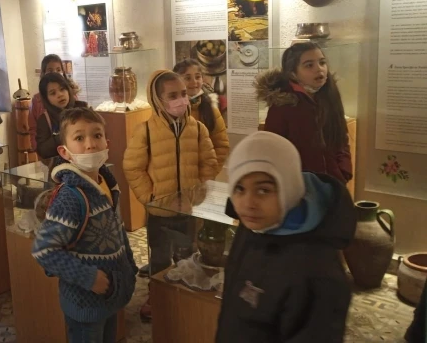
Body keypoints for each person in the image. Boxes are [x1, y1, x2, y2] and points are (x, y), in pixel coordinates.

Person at [216, 131, 356, 342]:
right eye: (239, 188)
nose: (248, 203)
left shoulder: (318, 273)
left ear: (289, 188)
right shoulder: (254, 227)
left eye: (263, 190)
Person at [32, 107, 137, 343]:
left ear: (107, 143)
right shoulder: (70, 197)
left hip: (110, 297)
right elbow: (44, 250)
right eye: (79, 138)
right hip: (85, 303)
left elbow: (117, 231)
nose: (90, 145)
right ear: (64, 151)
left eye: (97, 135)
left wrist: (129, 268)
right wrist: (90, 278)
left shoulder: (107, 185)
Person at [122, 70, 218, 320]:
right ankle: (157, 296)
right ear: (158, 100)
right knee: (160, 257)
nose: (181, 99)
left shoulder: (198, 129)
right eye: (172, 95)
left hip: (188, 210)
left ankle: (183, 295)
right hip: (160, 212)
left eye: (183, 93)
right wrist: (150, 197)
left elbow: (209, 162)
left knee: (187, 255)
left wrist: (198, 193)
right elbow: (132, 166)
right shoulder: (145, 131)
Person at [255, 42, 352, 184]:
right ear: (293, 73)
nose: (319, 69)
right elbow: (273, 152)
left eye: (322, 62)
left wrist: (343, 171)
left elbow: (341, 137)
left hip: (334, 182)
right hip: (300, 186)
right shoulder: (283, 106)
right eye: (309, 65)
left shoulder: (329, 96)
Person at [174, 59, 230, 173]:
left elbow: (221, 145)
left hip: (201, 175)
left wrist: (209, 172)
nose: (194, 82)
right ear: (176, 81)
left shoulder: (211, 109)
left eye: (198, 77)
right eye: (187, 78)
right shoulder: (168, 110)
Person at [35, 72, 88, 159]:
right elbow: (43, 151)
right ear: (46, 98)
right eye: (53, 93)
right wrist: (64, 134)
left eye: (62, 89)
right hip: (60, 165)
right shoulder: (45, 119)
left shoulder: (83, 109)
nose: (60, 95)